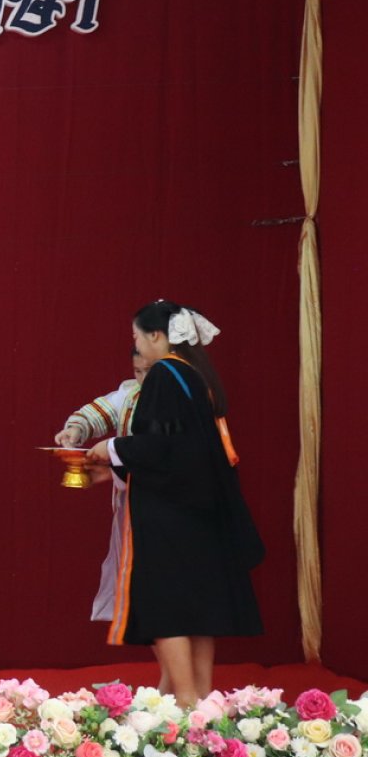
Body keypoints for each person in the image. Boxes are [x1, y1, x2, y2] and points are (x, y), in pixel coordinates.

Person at [84, 301, 263, 703]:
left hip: (169, 518)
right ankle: (202, 701)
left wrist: (111, 448)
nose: (136, 344)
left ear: (156, 335)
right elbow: (186, 452)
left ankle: (183, 703)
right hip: (200, 512)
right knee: (197, 613)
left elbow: (159, 446)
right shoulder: (196, 374)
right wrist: (117, 469)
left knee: (166, 610)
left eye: (137, 336)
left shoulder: (164, 375)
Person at [56, 349, 149, 627]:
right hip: (134, 507)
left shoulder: (181, 401)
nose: (144, 379)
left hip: (171, 508)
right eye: (138, 371)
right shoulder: (131, 395)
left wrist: (112, 452)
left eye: (151, 372)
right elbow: (98, 413)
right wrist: (76, 429)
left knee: (165, 596)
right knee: (140, 590)